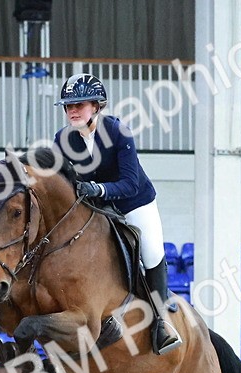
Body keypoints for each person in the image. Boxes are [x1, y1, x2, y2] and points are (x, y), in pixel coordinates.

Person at [53, 73, 181, 355]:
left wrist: (97, 189)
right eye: (68, 106)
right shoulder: (62, 139)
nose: (72, 111)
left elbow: (130, 182)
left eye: (79, 104)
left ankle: (160, 322)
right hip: (95, 209)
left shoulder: (117, 132)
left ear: (97, 106)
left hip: (134, 203)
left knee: (150, 252)